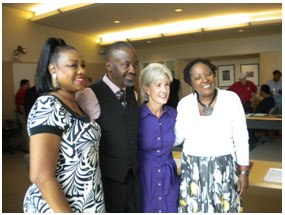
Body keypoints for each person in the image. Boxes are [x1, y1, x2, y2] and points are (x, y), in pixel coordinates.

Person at [23, 37, 105, 213]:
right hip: (58, 207)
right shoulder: (48, 105)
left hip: (87, 203)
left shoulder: (77, 103)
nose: (82, 70)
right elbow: (40, 176)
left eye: (83, 65)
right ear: (53, 69)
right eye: (73, 65)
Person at [175, 58, 249, 213]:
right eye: (197, 77)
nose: (205, 80)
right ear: (191, 83)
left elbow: (241, 138)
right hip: (193, 168)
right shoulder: (184, 104)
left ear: (214, 75)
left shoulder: (231, 99)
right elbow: (178, 136)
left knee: (225, 208)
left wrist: (243, 172)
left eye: (208, 74)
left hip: (224, 167)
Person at [76, 41, 141, 212]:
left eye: (135, 64)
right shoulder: (88, 95)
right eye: (126, 65)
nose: (133, 70)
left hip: (134, 176)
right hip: (108, 179)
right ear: (109, 66)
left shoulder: (133, 93)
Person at [138, 63, 179, 213]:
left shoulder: (174, 115)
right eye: (158, 85)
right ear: (147, 89)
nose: (164, 90)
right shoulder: (136, 117)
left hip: (169, 178)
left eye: (167, 85)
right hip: (145, 178)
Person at [15, 79, 30, 151]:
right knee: (25, 132)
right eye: (27, 84)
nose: (29, 86)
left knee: (23, 132)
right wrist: (25, 115)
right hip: (22, 114)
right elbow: (21, 106)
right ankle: (27, 149)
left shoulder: (21, 91)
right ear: (23, 85)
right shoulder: (22, 92)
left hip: (20, 114)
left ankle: (24, 147)